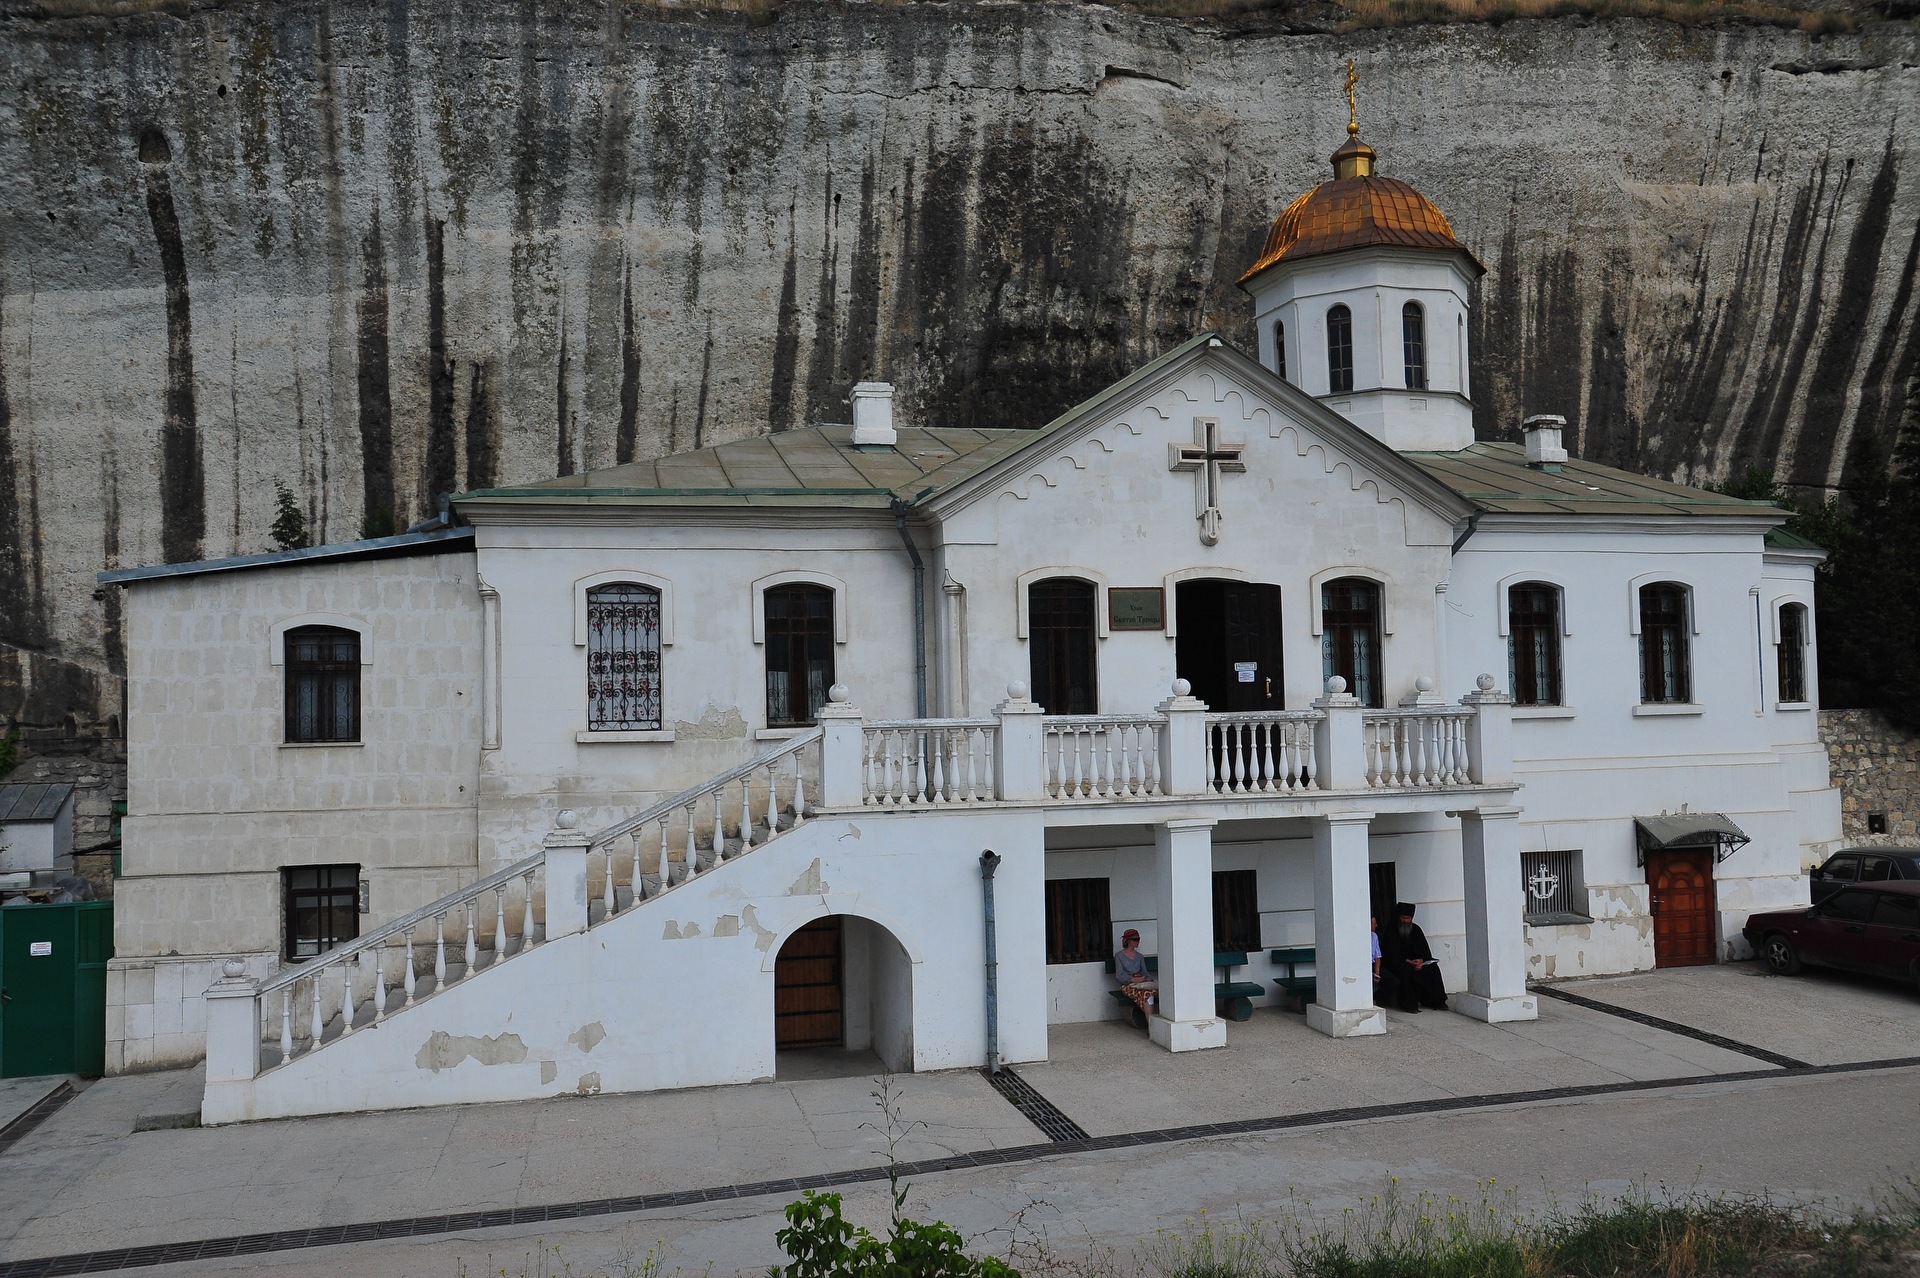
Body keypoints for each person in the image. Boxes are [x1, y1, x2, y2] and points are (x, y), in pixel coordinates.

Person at [1380, 901, 1447, 1012]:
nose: (1405, 921)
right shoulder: (1391, 931)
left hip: (1417, 963)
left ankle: (1438, 1002)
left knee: (1433, 969)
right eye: (1403, 918)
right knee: (1406, 972)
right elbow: (1391, 954)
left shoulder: (1416, 930)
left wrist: (1421, 961)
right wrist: (1409, 962)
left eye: (1408, 918)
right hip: (1399, 963)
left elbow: (1425, 950)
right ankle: (1410, 1005)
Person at [1113, 928, 1155, 1026]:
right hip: (1128, 984)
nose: (1138, 942)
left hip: (1142, 983)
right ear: (1128, 941)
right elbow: (1119, 975)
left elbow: (1145, 972)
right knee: (1146, 995)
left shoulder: (1139, 956)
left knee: (1150, 993)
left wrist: (1147, 978)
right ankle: (1151, 1026)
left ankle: (1152, 1025)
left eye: (1138, 939)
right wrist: (1133, 979)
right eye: (1135, 939)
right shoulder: (1119, 956)